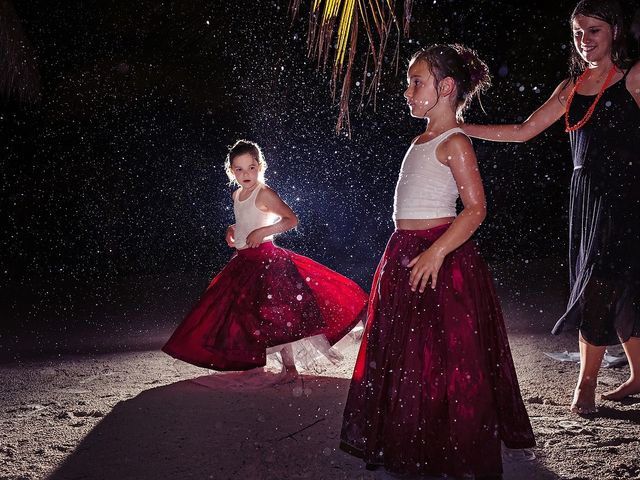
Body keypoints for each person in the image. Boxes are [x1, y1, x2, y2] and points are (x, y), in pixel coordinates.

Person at [340, 44, 535, 479]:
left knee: (448, 357)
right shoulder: (420, 139)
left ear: (445, 87)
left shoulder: (455, 142)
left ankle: (456, 447)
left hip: (440, 254)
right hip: (405, 251)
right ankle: (413, 439)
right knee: (409, 356)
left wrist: (435, 251)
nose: (407, 91)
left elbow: (476, 209)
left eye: (416, 82)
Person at [462, 0, 640, 415]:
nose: (585, 40)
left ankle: (586, 386)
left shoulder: (633, 77)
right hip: (586, 199)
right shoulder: (570, 87)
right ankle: (638, 376)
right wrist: (460, 126)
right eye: (578, 32)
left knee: (601, 285)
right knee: (617, 288)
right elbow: (523, 132)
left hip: (628, 199)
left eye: (593, 30)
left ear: (614, 30)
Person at [162, 140, 367, 377]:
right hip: (244, 262)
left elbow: (291, 220)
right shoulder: (237, 194)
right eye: (239, 169)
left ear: (260, 167)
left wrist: (262, 232)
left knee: (279, 315)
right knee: (244, 314)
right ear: (231, 171)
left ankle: (290, 368)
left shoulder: (265, 193)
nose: (245, 173)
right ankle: (257, 361)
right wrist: (233, 229)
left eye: (250, 167)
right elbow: (247, 219)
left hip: (268, 262)